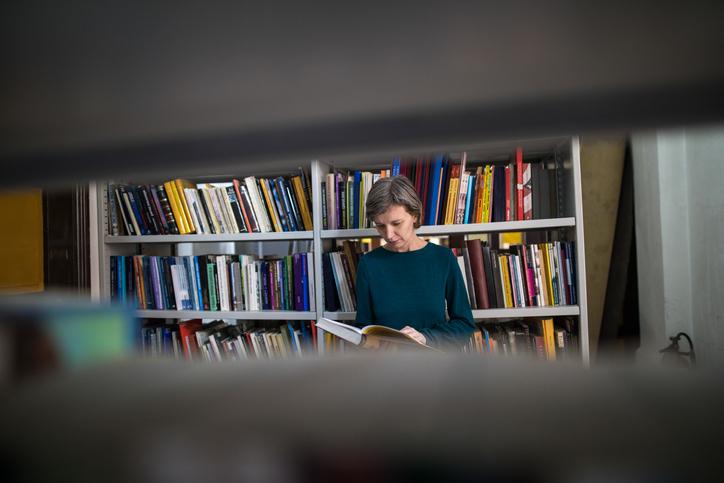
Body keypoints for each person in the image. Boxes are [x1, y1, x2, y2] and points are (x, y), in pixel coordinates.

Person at [355, 175, 475, 348]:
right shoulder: (368, 264)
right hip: (385, 368)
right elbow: (363, 328)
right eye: (380, 226)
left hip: (432, 366)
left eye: (396, 223)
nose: (388, 235)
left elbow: (464, 325)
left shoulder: (443, 258)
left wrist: (425, 337)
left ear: (414, 215)